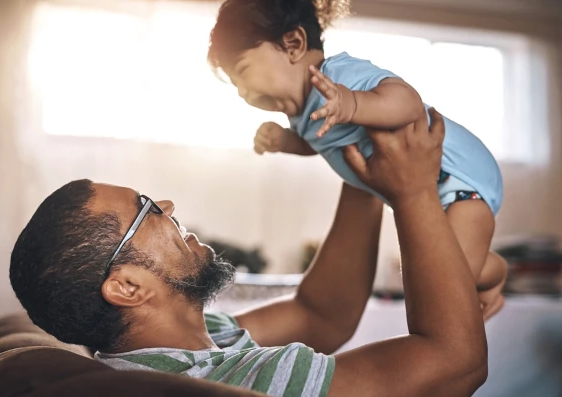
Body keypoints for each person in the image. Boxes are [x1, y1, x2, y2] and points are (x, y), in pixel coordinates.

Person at [10, 109, 489, 396]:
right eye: (147, 209)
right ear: (128, 286)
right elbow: (455, 363)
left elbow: (320, 314)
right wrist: (413, 193)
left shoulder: (187, 347)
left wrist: (363, 177)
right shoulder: (232, 384)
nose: (169, 205)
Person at [207, 0, 507, 317]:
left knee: (452, 280)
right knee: (424, 277)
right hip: (430, 198)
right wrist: (286, 141)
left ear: (293, 44)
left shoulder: (338, 77)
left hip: (460, 184)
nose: (241, 92)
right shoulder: (302, 115)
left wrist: (351, 103)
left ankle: (496, 271)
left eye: (242, 71)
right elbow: (319, 143)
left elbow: (408, 102)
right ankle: (483, 270)